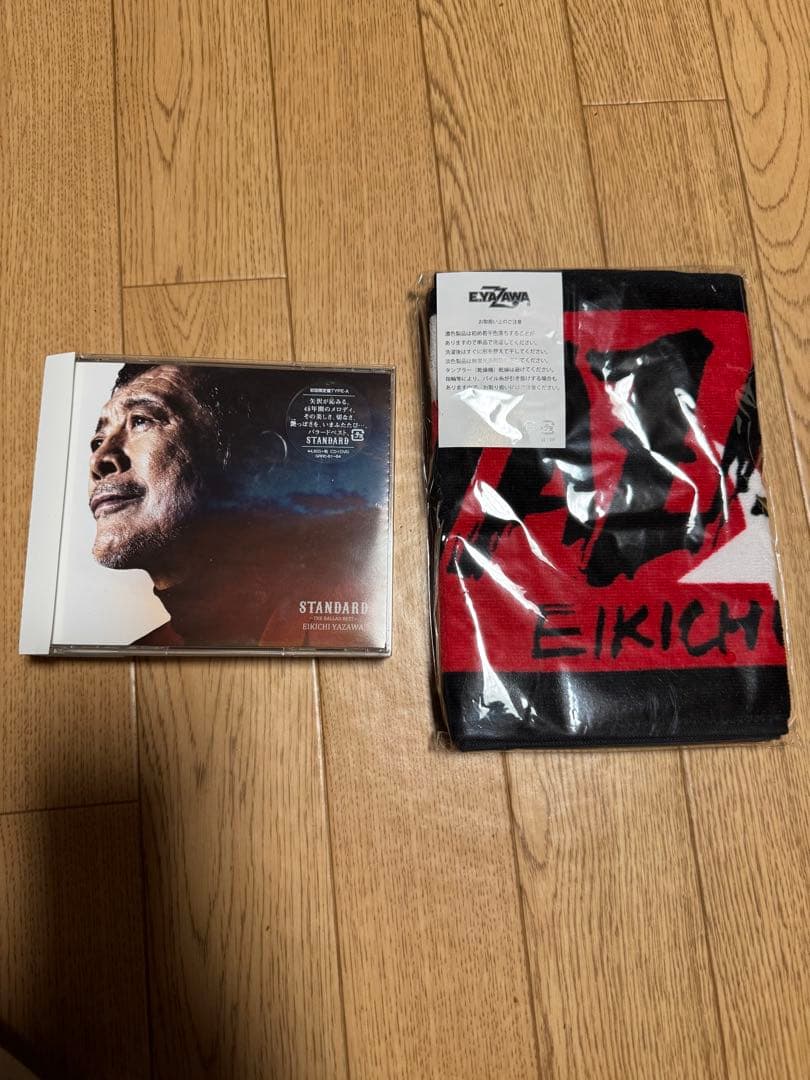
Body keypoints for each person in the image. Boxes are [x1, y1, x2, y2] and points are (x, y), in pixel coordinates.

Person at [88, 361, 358, 647]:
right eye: (97, 441)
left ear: (254, 459)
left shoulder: (351, 622)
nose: (99, 460)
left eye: (141, 421)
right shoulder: (145, 654)